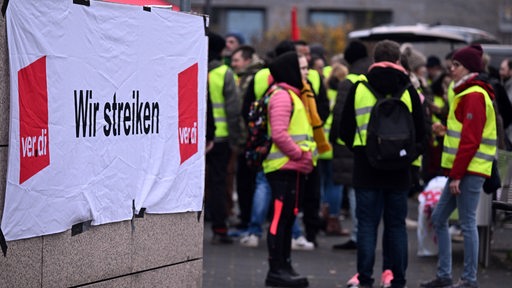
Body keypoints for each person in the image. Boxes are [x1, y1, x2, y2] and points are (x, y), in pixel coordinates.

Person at [339, 39, 426, 288]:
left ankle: (365, 278)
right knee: (396, 226)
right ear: (398, 60)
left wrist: (360, 149)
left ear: (374, 60)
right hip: (399, 170)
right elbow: (420, 133)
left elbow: (344, 129)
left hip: (366, 168)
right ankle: (397, 278)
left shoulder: (359, 88)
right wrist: (407, 157)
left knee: (367, 225)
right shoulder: (408, 89)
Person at [421, 44, 497, 288]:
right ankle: (446, 276)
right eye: (451, 64)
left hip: (469, 170)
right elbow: (465, 134)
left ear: (470, 69)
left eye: (456, 65)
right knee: (440, 216)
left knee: (465, 223)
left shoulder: (474, 95)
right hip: (466, 168)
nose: (450, 69)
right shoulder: (466, 92)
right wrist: (445, 132)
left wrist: (456, 175)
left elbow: (471, 140)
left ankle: (469, 279)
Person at [264, 51, 316, 287]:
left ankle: (284, 266)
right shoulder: (283, 96)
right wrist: (300, 155)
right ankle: (277, 270)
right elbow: (279, 134)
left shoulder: (292, 95)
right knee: (279, 220)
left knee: (287, 219)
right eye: (303, 68)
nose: (306, 73)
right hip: (283, 167)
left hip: (292, 168)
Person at [205, 32, 240, 244]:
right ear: (220, 51)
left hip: (192, 135)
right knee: (218, 183)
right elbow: (233, 110)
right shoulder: (225, 73)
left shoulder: (192, 64)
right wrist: (237, 139)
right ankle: (219, 227)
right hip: (220, 137)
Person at [230, 45, 265, 230]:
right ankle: (250, 219)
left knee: (249, 182)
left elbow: (245, 111)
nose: (233, 64)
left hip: (249, 139)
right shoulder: (247, 77)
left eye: (236, 60)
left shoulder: (251, 78)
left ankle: (250, 221)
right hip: (250, 138)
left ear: (247, 60)